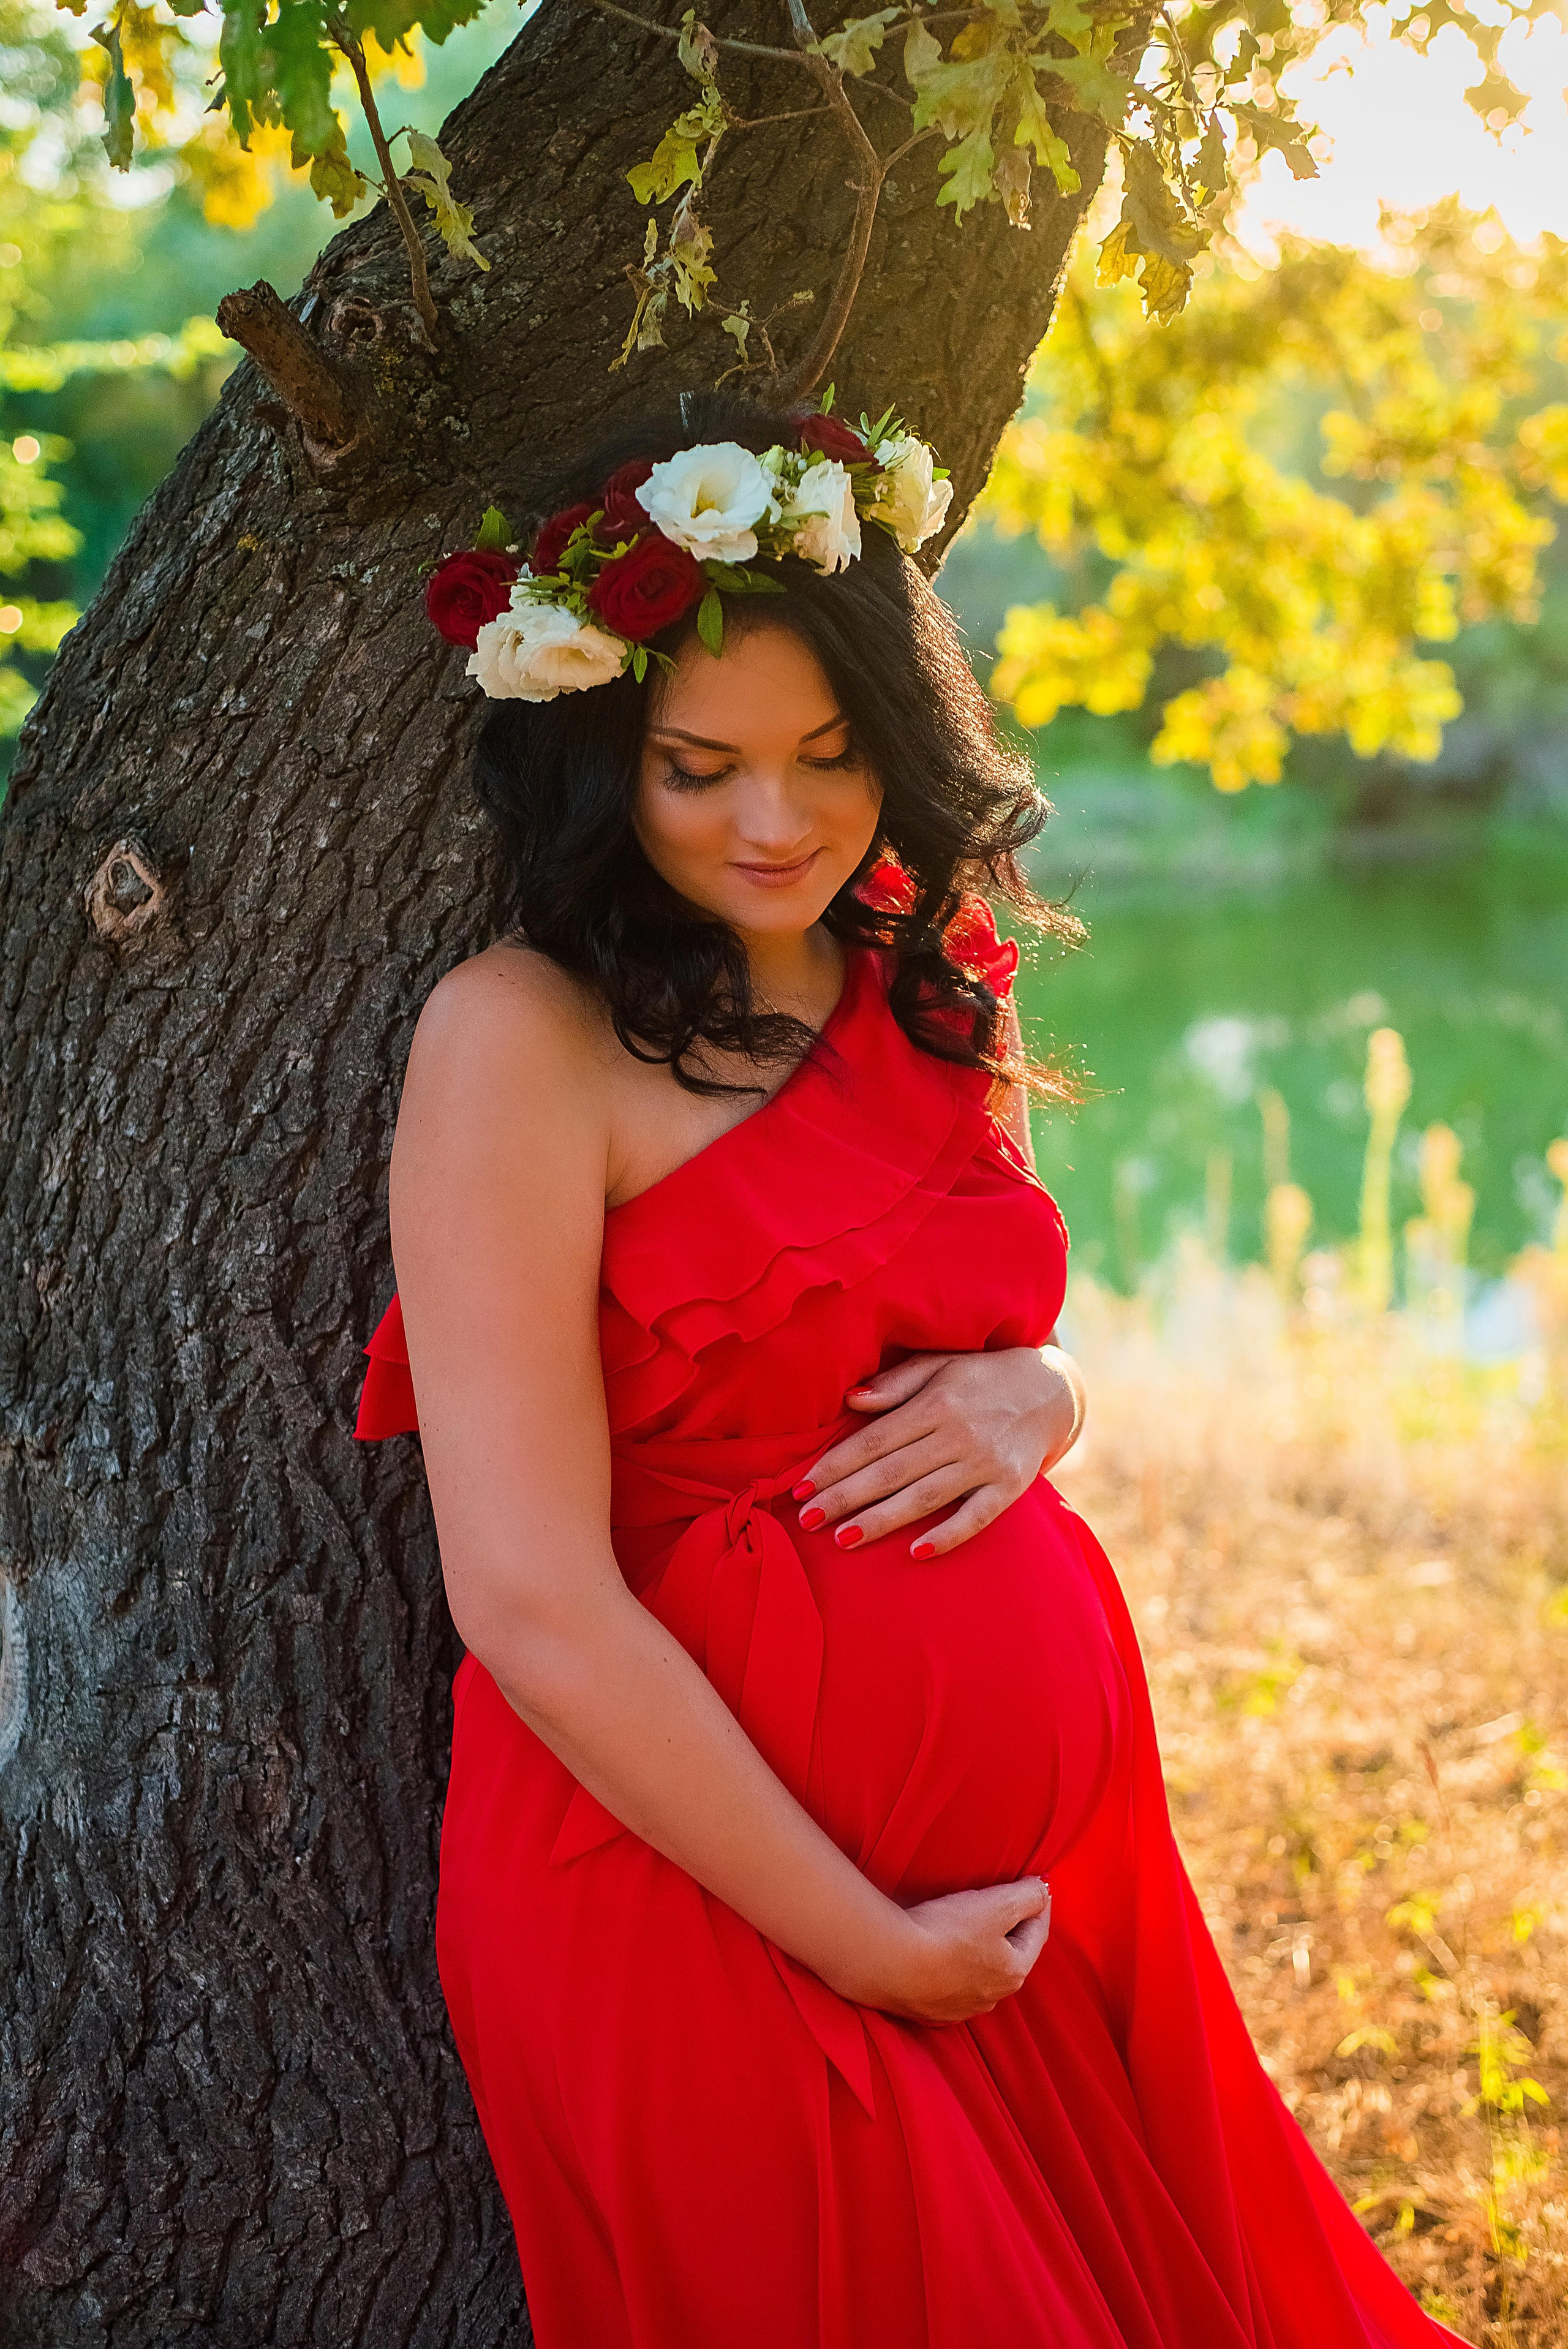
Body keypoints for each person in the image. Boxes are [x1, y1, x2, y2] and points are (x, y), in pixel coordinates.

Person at [356, 390, 1457, 2347]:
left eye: (828, 755)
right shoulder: (516, 1040)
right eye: (700, 767)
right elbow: (525, 1589)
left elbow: (993, 1316)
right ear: (603, 749)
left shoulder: (925, 963)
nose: (773, 821)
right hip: (690, 1897)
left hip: (1040, 1899)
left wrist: (1050, 1397)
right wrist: (868, 1939)